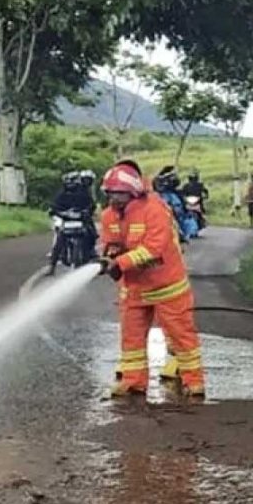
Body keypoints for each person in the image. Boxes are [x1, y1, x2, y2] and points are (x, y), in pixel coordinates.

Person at [96, 162, 206, 399]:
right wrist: (109, 258)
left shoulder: (155, 209)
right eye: (110, 193)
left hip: (168, 286)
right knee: (131, 338)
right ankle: (133, 381)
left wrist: (121, 263)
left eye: (119, 194)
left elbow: (154, 248)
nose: (114, 199)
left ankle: (193, 381)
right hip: (134, 288)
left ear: (133, 191)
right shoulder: (108, 215)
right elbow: (111, 243)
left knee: (181, 335)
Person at [48, 170, 99, 262]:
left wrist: (87, 211)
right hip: (66, 219)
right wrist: (56, 211)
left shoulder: (83, 192)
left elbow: (91, 204)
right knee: (59, 235)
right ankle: (54, 260)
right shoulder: (62, 193)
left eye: (73, 180)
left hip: (81, 218)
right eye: (69, 181)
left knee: (91, 231)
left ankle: (91, 250)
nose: (71, 183)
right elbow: (54, 205)